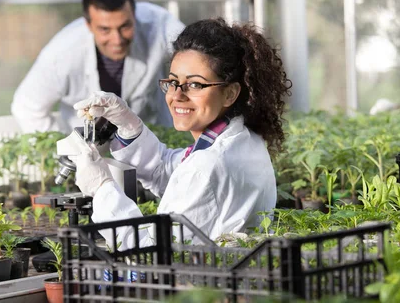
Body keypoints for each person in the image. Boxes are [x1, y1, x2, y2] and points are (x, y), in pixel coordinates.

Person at [71, 18, 292, 246]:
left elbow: (149, 253)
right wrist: (128, 125)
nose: (177, 95)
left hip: (199, 280)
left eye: (195, 84)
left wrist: (101, 189)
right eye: (173, 82)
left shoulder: (207, 165)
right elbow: (168, 171)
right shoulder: (241, 140)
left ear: (230, 93)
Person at [11, 0, 185, 134]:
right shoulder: (61, 54)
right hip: (88, 150)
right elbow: (26, 107)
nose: (117, 40)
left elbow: (195, 60)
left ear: (134, 14)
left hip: (151, 145)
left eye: (125, 26)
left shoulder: (159, 26)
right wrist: (67, 152)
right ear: (88, 25)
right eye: (104, 29)